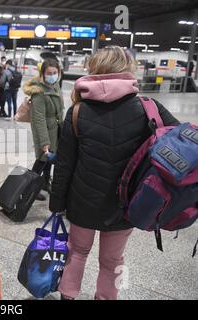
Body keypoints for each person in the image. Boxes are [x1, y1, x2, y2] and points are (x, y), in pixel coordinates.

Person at [49, 46, 180, 300]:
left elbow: (64, 164)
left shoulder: (77, 111)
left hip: (82, 201)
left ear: (95, 70)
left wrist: (57, 204)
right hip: (126, 203)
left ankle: (68, 296)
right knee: (112, 261)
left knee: (76, 252)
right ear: (127, 69)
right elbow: (183, 142)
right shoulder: (148, 108)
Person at [23, 58, 65, 201]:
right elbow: (39, 119)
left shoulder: (55, 86)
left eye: (55, 72)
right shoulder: (39, 92)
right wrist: (44, 142)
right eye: (49, 73)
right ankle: (29, 189)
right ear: (42, 74)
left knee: (48, 161)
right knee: (41, 160)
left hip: (56, 129)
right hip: (44, 131)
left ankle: (45, 184)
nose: (52, 75)